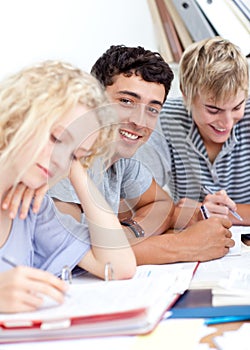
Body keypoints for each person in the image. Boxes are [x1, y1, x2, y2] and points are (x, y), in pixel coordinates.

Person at [4, 46, 234, 265]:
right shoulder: (56, 161)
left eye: (153, 109)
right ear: (94, 100)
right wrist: (181, 245)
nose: (139, 121)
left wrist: (127, 232)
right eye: (126, 101)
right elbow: (81, 249)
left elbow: (162, 205)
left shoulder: (120, 161)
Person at [0, 60, 136, 313]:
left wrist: (76, 167)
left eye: (75, 154)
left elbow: (119, 266)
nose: (59, 160)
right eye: (57, 138)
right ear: (18, 116)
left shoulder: (32, 207)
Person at [139, 37, 250, 230]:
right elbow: (140, 200)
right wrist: (191, 213)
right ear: (186, 95)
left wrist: (217, 214)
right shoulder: (164, 120)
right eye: (213, 110)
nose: (227, 122)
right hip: (196, 238)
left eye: (237, 107)